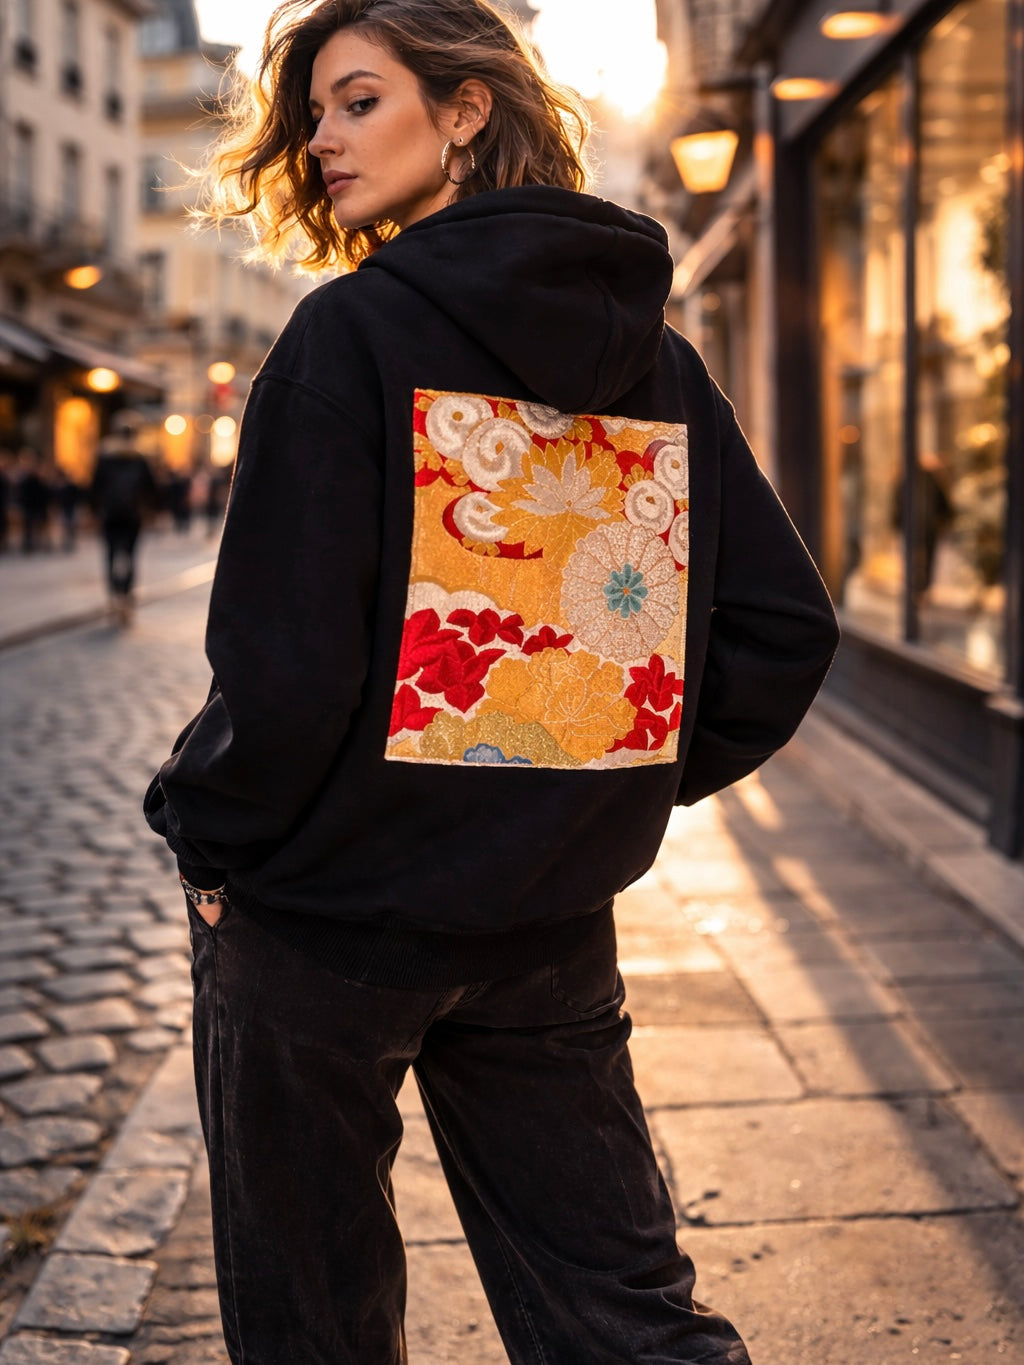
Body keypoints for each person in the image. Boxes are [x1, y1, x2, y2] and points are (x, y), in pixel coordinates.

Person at [143, 2, 839, 1361]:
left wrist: (211, 841)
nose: (322, 141)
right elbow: (778, 634)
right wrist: (589, 782)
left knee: (314, 1320)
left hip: (323, 931)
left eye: (357, 101)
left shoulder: (344, 342)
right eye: (312, 117)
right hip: (543, 921)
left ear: (465, 110)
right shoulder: (656, 359)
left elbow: (284, 675)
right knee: (622, 1313)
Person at [90, 411, 157, 625]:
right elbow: (151, 488)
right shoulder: (140, 457)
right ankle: (126, 597)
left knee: (110, 555)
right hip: (133, 514)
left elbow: (94, 486)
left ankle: (113, 597)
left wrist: (93, 511)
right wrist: (152, 510)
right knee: (130, 556)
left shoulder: (105, 455)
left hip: (110, 513)